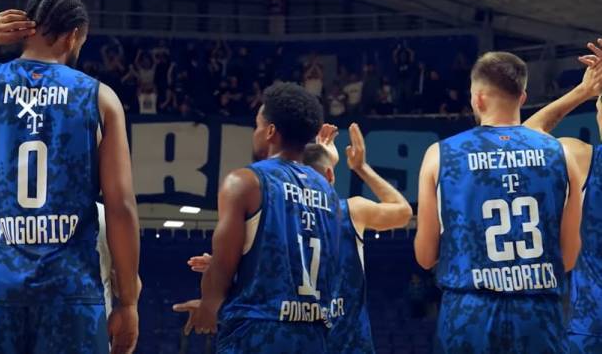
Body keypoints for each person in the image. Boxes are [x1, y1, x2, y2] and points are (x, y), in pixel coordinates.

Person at [0, 0, 140, 354]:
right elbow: (120, 207)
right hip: (69, 290)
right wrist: (128, 302)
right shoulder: (99, 97)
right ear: (73, 36)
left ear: (24, 30)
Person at [177, 123, 412, 353]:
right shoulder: (351, 211)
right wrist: (360, 167)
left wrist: (225, 284)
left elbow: (268, 285)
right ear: (330, 175)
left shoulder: (279, 220)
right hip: (348, 344)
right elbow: (403, 212)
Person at [415, 52, 583, 353]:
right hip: (539, 316)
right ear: (523, 97)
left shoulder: (440, 155)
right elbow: (568, 258)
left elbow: (426, 256)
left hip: (468, 314)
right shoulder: (561, 155)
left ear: (478, 98)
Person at [180, 82, 341, 353]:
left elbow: (222, 265)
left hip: (256, 332)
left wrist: (209, 304)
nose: (254, 132)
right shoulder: (328, 191)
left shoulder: (245, 181)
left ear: (270, 131)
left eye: (257, 125)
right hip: (314, 334)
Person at [523, 40, 602, 353]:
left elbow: (523, 138)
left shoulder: (583, 159)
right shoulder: (586, 160)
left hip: (591, 329)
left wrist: (583, 91)